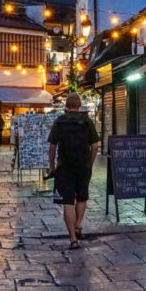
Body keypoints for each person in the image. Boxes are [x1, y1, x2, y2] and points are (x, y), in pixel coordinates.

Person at [48, 92, 99, 249]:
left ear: (66, 106)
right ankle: (78, 225)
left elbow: (52, 146)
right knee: (82, 197)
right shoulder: (87, 121)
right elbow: (95, 145)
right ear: (79, 105)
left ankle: (73, 239)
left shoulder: (59, 122)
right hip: (83, 165)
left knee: (67, 202)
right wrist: (90, 162)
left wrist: (52, 165)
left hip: (64, 166)